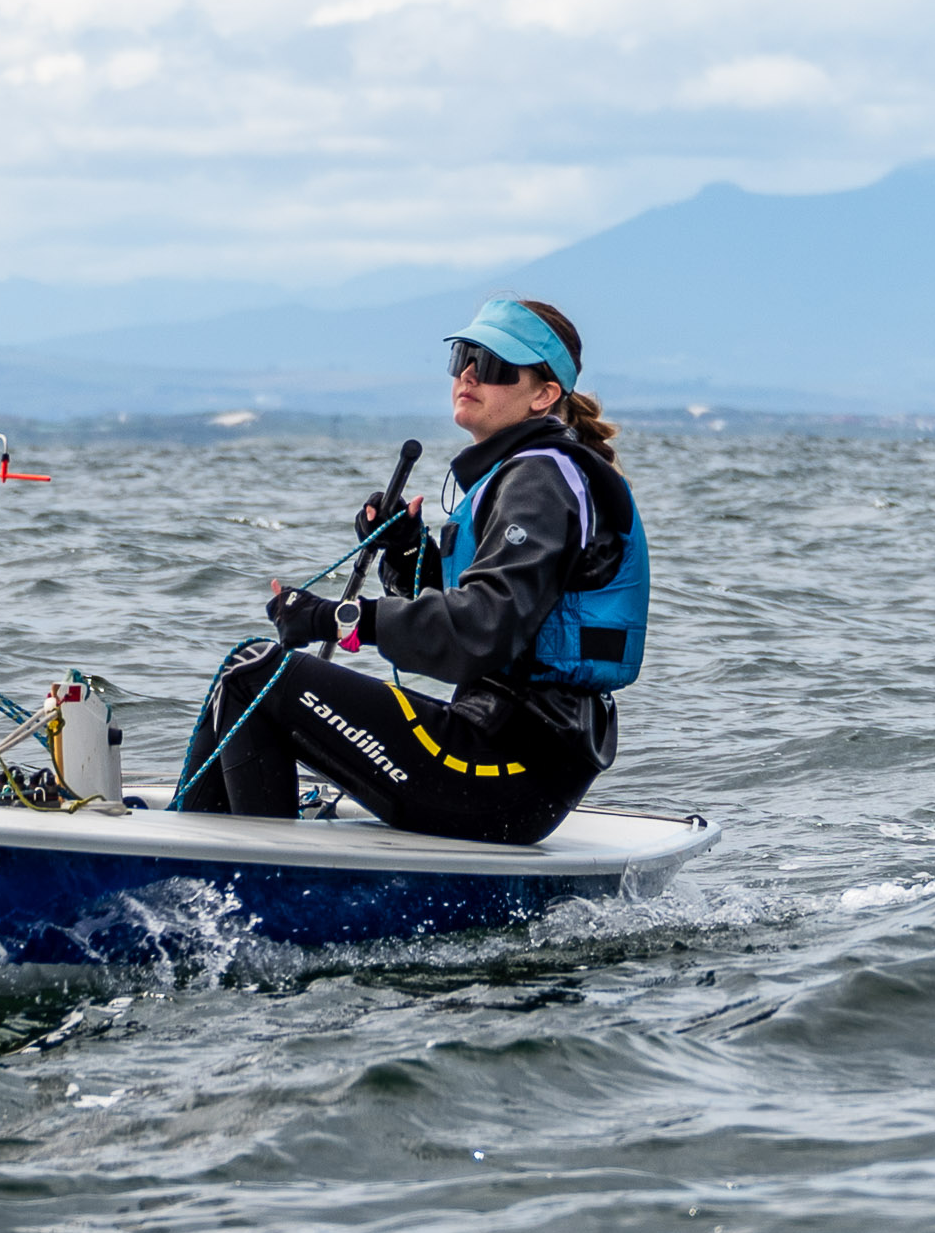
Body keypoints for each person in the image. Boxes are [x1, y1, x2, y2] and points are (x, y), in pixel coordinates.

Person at [176, 296, 648, 842]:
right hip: (512, 762)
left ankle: (244, 875)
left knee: (254, 674)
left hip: (504, 768)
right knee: (249, 675)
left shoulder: (539, 480)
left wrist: (337, 618)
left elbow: (481, 628)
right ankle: (199, 851)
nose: (469, 374)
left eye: (493, 365)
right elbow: (480, 615)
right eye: (464, 358)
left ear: (543, 395)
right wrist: (405, 550)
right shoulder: (527, 472)